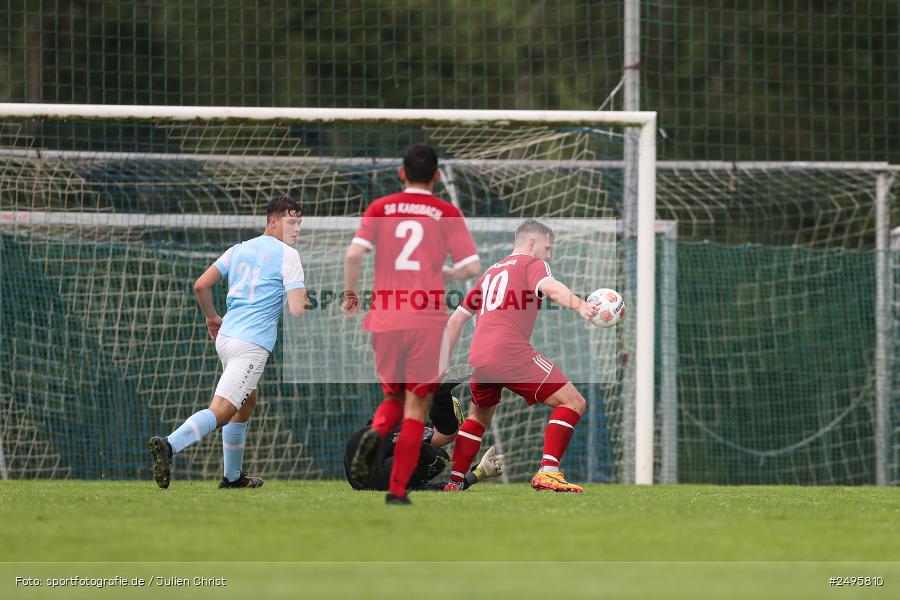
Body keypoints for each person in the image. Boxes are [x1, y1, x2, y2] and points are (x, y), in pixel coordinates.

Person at [341, 144, 481, 505]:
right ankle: (398, 492)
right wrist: (447, 272)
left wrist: (349, 294)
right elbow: (472, 268)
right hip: (425, 320)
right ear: (436, 176)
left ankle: (376, 433)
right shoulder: (445, 212)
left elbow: (354, 253)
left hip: (386, 319)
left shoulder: (381, 207)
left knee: (393, 398)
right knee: (417, 408)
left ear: (401, 173)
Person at [147, 195, 307, 489]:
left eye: (299, 223)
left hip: (227, 337)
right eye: (291, 222)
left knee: (247, 402)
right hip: (251, 344)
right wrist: (310, 300)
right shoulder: (288, 255)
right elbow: (297, 309)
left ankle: (232, 477)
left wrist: (211, 317)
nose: (297, 229)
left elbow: (201, 285)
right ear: (273, 222)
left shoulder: (238, 250)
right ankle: (169, 445)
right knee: (222, 410)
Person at [443, 219, 599, 493]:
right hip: (510, 352)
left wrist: (439, 367)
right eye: (547, 248)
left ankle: (455, 481)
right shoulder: (532, 264)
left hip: (479, 356)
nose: (549, 255)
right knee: (573, 402)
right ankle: (548, 471)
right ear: (531, 243)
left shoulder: (490, 273)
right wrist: (580, 304)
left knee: (478, 417)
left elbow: (455, 322)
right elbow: (551, 287)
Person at [344, 366, 504, 491]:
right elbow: (446, 488)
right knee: (441, 451)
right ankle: (440, 397)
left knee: (442, 440)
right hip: (370, 457)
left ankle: (440, 397)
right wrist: (479, 473)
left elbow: (447, 488)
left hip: (362, 450)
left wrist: (479, 472)